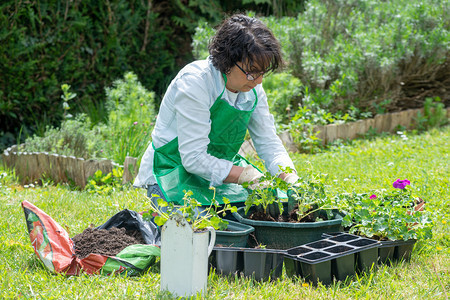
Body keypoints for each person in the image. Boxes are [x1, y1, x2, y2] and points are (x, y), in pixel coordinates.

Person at [133, 14, 299, 208]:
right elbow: (193, 159)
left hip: (214, 179)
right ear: (228, 59)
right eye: (252, 71)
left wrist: (289, 177)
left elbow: (268, 142)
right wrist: (246, 175)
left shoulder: (253, 89)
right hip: (170, 174)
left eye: (262, 72)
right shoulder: (195, 82)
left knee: (262, 214)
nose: (259, 80)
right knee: (201, 232)